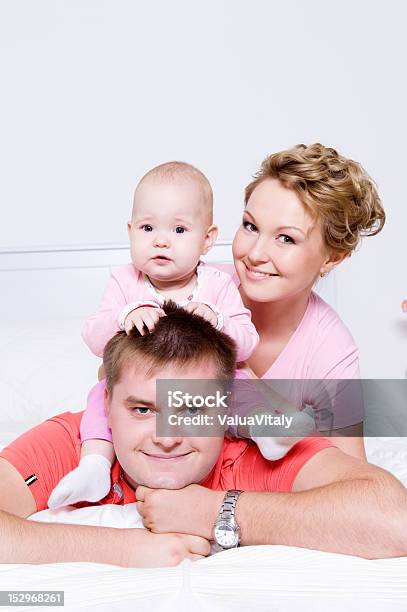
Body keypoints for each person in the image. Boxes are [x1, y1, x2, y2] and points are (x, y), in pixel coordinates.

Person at [0, 304, 406, 567]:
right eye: (142, 409)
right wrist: (125, 549)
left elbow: (395, 520)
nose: (167, 437)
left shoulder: (253, 450)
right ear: (105, 406)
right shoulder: (76, 441)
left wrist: (214, 512)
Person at [48, 161, 260, 508]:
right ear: (131, 231)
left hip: (202, 391)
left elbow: (249, 344)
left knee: (243, 379)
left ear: (207, 239)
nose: (160, 240)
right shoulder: (125, 282)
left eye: (179, 230)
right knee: (102, 393)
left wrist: (218, 321)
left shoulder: (218, 285)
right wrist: (124, 315)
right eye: (147, 228)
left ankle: (268, 433)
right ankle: (96, 464)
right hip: (139, 384)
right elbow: (93, 338)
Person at [231, 143, 386, 459]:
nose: (256, 254)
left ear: (333, 257)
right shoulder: (198, 287)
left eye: (285, 238)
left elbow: (352, 475)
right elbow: (110, 379)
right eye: (250, 226)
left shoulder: (329, 348)